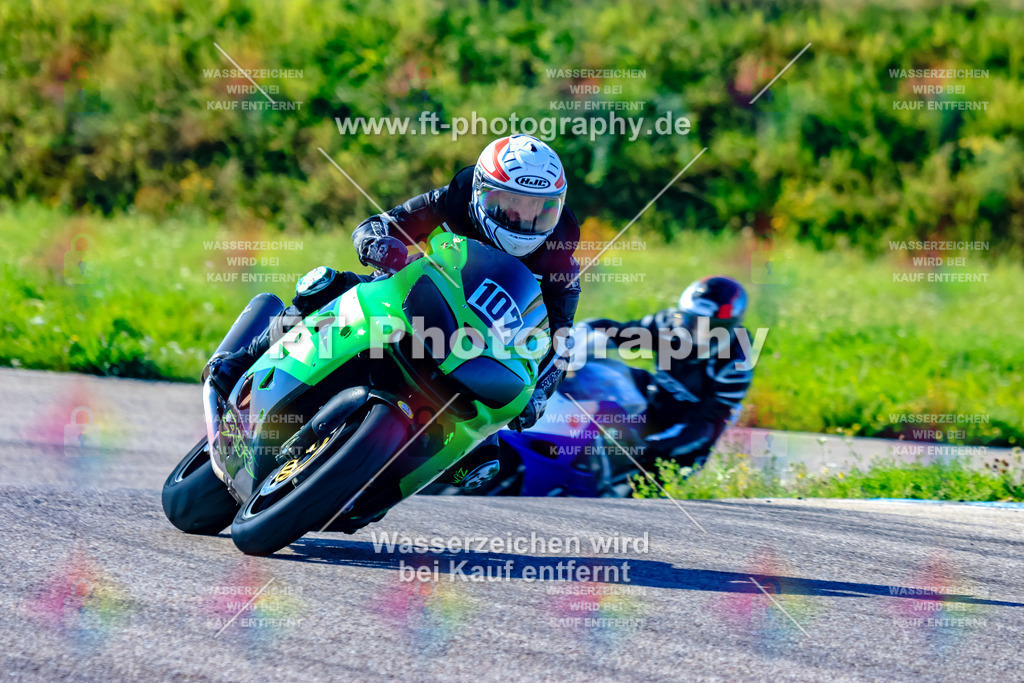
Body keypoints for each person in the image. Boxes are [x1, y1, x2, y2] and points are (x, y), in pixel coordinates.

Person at [208, 134, 582, 431]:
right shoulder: (454, 202)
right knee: (325, 284)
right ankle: (243, 360)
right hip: (411, 301)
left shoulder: (560, 258)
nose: (523, 220)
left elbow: (561, 344)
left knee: (486, 460)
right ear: (482, 192)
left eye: (539, 209)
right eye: (510, 204)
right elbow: (380, 223)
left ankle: (372, 488)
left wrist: (539, 397)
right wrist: (376, 245)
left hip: (479, 353)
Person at [585, 276, 753, 469]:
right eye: (692, 321)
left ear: (731, 327)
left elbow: (706, 424)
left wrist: (648, 447)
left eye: (710, 327)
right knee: (600, 371)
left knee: (639, 482)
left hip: (686, 440)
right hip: (654, 401)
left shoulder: (735, 365)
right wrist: (583, 334)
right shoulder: (668, 324)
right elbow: (620, 333)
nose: (698, 334)